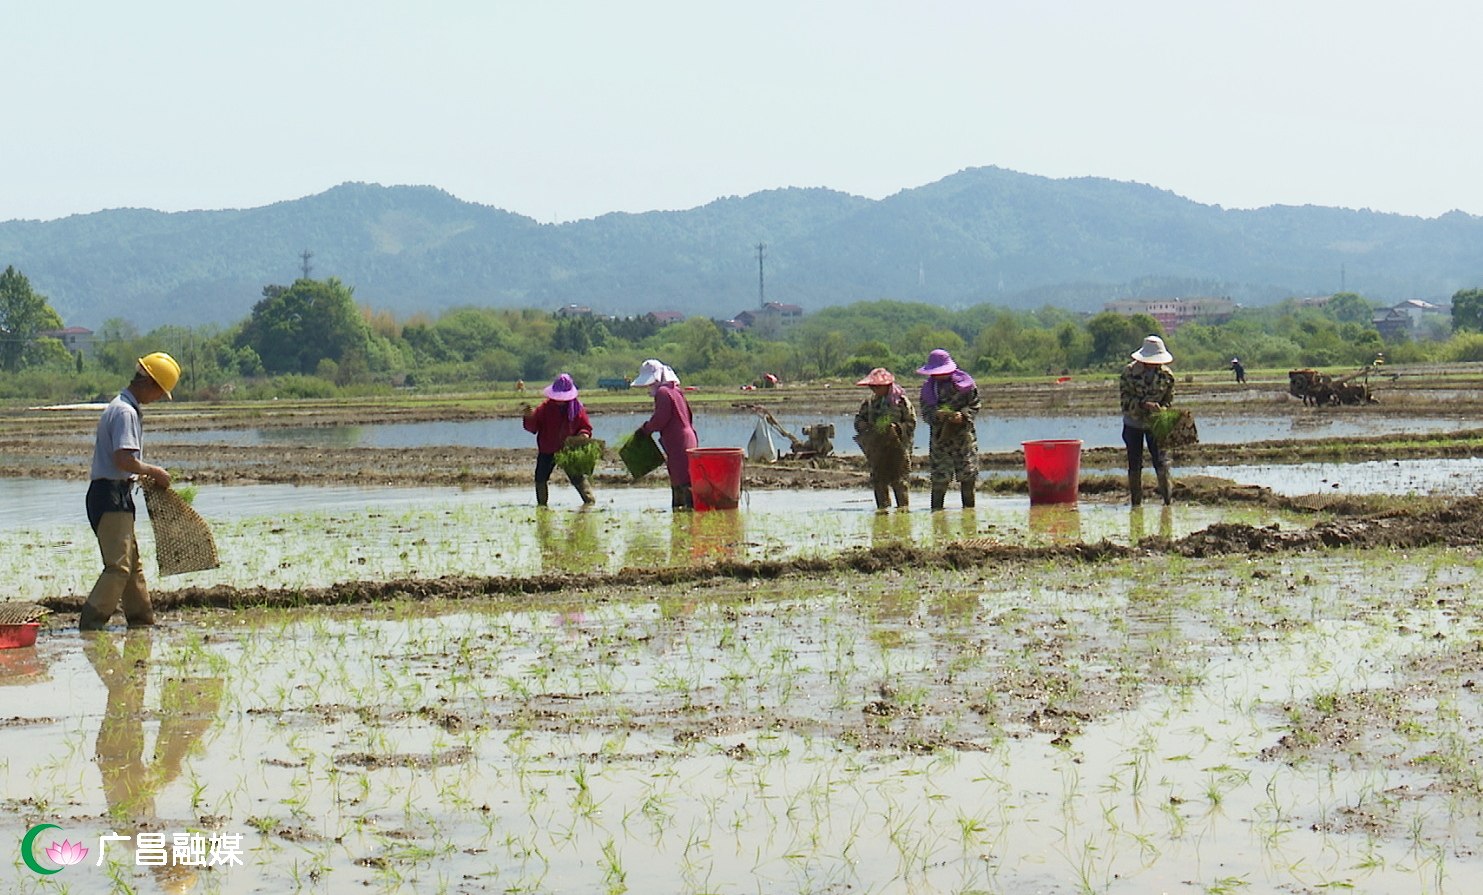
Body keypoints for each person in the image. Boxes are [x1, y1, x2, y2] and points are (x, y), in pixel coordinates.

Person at [80, 353, 180, 631]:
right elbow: (123, 460)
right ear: (150, 384)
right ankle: (90, 625)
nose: (159, 398)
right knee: (118, 567)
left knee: (132, 566)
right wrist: (154, 472)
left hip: (116, 494)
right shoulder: (125, 411)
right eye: (161, 392)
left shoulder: (125, 406)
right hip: (110, 495)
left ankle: (142, 622)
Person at [916, 349, 980, 510]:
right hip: (940, 438)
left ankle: (969, 512)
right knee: (939, 477)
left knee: (967, 476)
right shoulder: (929, 389)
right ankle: (937, 513)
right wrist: (937, 415)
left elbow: (975, 405)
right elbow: (926, 412)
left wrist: (962, 416)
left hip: (964, 438)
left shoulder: (966, 385)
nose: (939, 376)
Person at [632, 359, 698, 510]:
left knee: (683, 480)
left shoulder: (662, 392)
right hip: (686, 437)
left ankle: (690, 514)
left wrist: (645, 429)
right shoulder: (675, 390)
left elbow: (661, 418)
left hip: (678, 440)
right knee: (679, 477)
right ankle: (680, 514)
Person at [522, 373, 595, 506]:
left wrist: (583, 435)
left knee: (577, 477)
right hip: (547, 449)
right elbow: (533, 428)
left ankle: (589, 502)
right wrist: (529, 417)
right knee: (540, 478)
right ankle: (542, 505)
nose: (560, 400)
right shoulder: (544, 408)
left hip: (568, 450)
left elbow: (585, 427)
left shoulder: (577, 409)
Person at [1121, 335, 1176, 506]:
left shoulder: (1167, 376)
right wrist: (1143, 405)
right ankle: (1136, 503)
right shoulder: (1129, 373)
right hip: (1134, 423)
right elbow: (1125, 402)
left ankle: (1168, 501)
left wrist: (1162, 409)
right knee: (1135, 462)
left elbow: (1168, 400)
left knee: (1161, 462)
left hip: (1155, 424)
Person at [853, 367, 916, 509]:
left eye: (877, 386)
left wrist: (897, 428)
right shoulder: (869, 403)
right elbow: (858, 420)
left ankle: (903, 512)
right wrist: (861, 425)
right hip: (877, 449)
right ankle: (883, 511)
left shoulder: (901, 402)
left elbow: (911, 423)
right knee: (879, 481)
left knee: (899, 481)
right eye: (872, 386)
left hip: (898, 448)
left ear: (887, 386)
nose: (874, 389)